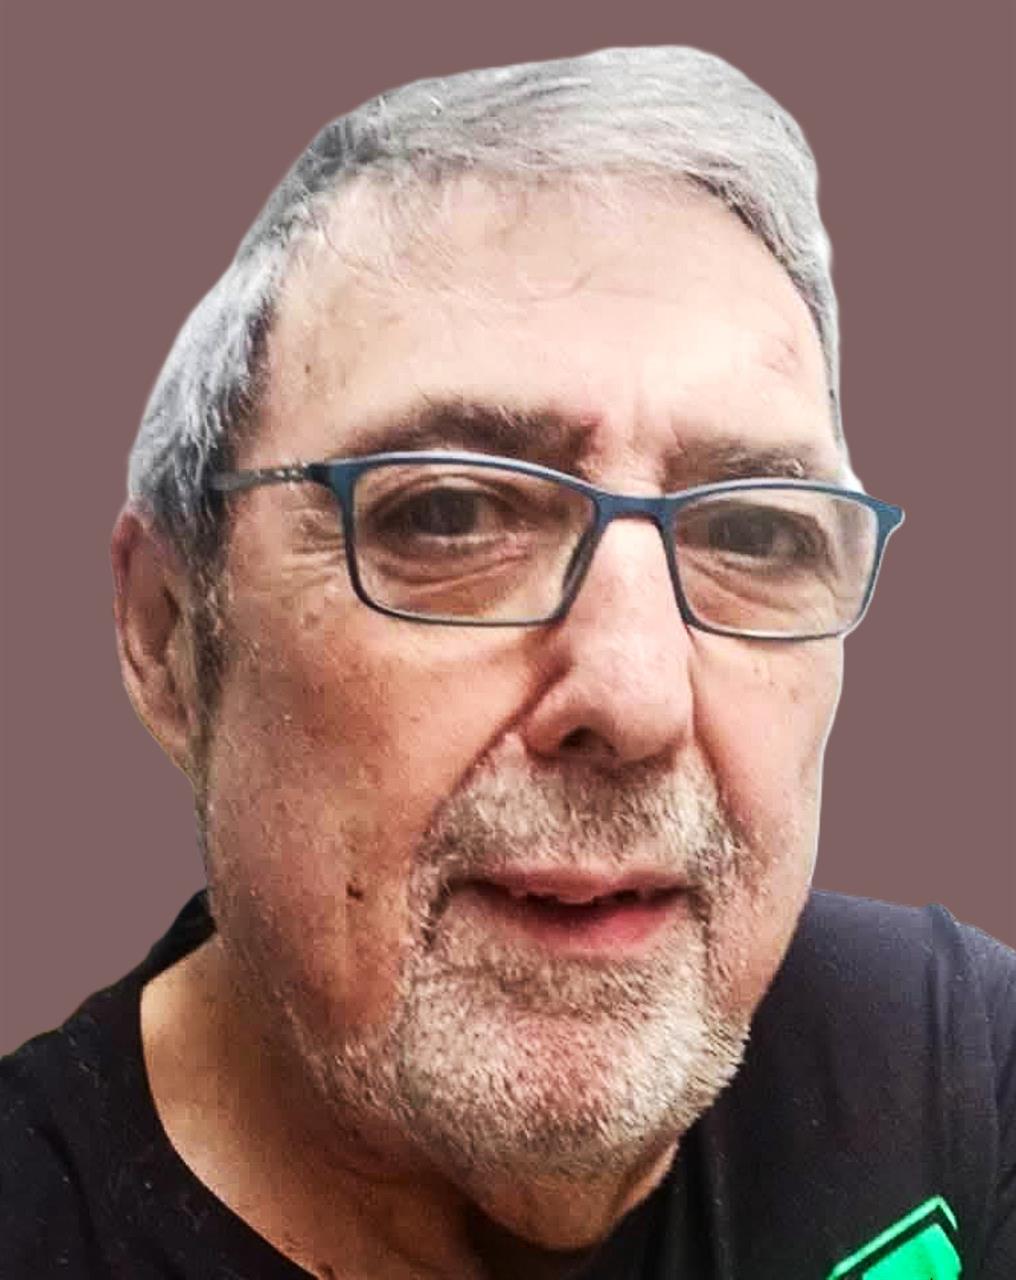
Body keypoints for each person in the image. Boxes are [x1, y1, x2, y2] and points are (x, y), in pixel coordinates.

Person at [2, 45, 1012, 1280]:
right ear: (169, 635)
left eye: (755, 533)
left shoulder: (948, 1052)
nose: (636, 696)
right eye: (448, 516)